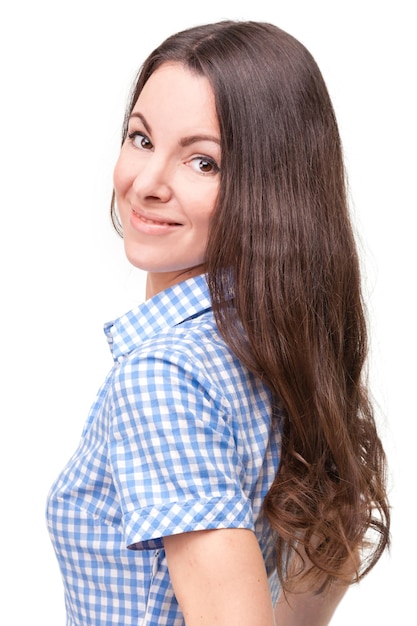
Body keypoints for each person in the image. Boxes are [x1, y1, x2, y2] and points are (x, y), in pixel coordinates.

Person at [46, 20, 390, 626]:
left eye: (203, 162)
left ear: (269, 188)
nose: (147, 184)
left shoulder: (164, 377)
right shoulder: (283, 353)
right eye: (141, 139)